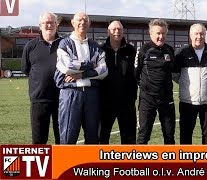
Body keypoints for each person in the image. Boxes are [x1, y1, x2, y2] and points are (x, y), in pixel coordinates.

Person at [54, 12, 108, 144]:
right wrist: (90, 65)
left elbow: (103, 70)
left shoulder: (95, 46)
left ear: (89, 23)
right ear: (72, 22)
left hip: (91, 95)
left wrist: (81, 74)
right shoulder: (64, 43)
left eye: (85, 20)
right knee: (68, 136)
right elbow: (68, 66)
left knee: (93, 136)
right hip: (71, 93)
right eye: (79, 20)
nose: (82, 22)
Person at [174, 23, 207, 144]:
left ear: (205, 35)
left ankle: (206, 161)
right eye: (196, 34)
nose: (199, 36)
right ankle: (185, 161)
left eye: (202, 34)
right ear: (190, 35)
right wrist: (186, 85)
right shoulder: (182, 52)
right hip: (188, 101)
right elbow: (175, 74)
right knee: (185, 134)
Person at [21, 12, 61, 144]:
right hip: (39, 100)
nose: (49, 25)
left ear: (57, 25)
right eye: (45, 22)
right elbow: (26, 69)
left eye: (52, 22)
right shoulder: (30, 46)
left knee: (62, 140)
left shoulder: (65, 44)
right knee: (39, 141)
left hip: (62, 99)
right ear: (40, 26)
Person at [134, 19, 175, 144]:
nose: (160, 36)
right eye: (158, 33)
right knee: (143, 135)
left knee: (169, 136)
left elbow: (174, 71)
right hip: (148, 100)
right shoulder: (144, 50)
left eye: (163, 33)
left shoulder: (170, 50)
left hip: (166, 99)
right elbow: (136, 74)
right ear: (151, 34)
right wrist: (147, 88)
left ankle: (170, 162)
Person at [99, 20, 137, 144]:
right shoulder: (100, 50)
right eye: (114, 29)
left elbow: (136, 74)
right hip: (105, 103)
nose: (117, 32)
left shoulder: (131, 50)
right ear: (108, 32)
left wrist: (132, 96)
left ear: (123, 32)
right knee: (102, 137)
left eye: (119, 29)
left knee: (129, 139)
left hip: (127, 103)